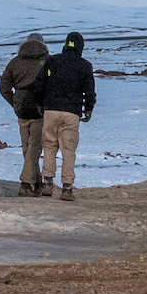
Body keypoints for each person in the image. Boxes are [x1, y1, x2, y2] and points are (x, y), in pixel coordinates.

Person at [35, 31, 97, 200]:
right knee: (68, 150)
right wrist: (88, 108)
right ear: (81, 47)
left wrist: (41, 104)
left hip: (51, 110)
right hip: (71, 112)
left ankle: (47, 183)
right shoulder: (85, 66)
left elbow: (41, 84)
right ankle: (67, 188)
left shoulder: (52, 61)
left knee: (49, 146)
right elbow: (89, 91)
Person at [0, 32, 50, 198]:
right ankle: (26, 184)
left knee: (27, 147)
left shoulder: (15, 62)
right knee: (35, 146)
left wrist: (15, 102)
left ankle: (37, 182)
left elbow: (4, 88)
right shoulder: (48, 61)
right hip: (39, 107)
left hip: (21, 109)